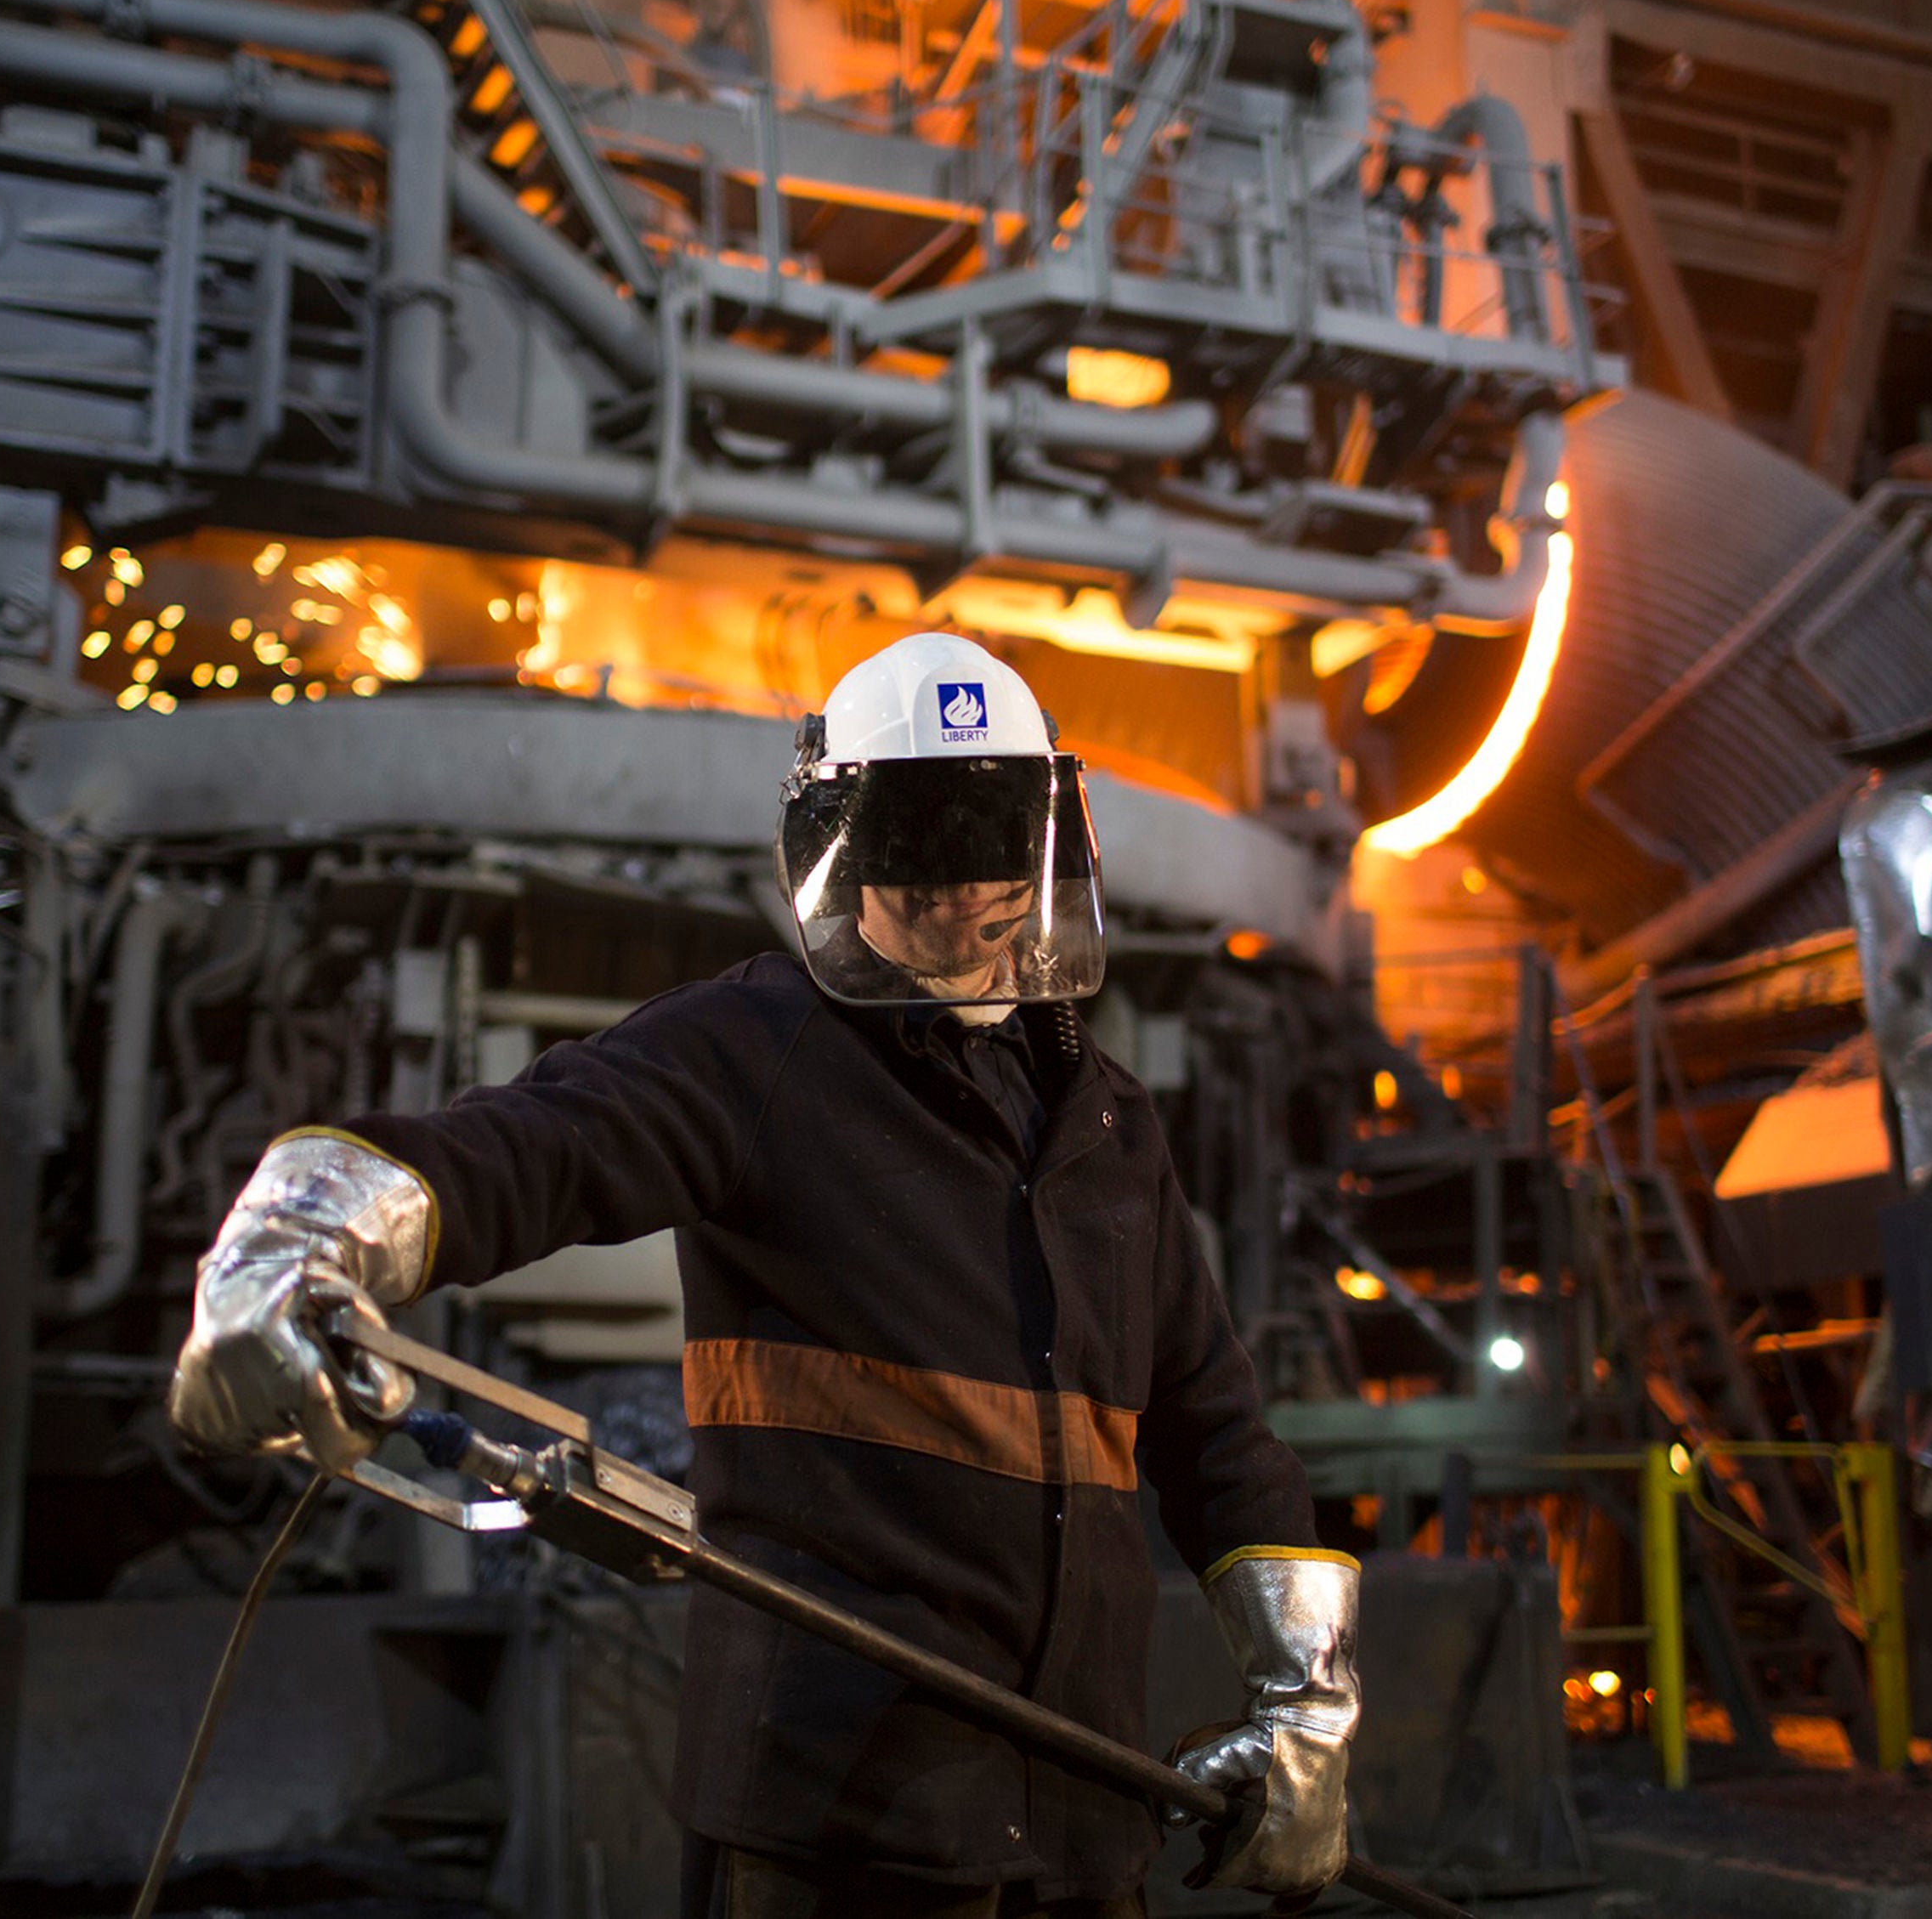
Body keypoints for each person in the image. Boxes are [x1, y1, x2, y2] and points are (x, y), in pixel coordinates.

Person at [168, 634, 1358, 1916]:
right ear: (842, 848)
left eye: (989, 834)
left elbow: (1216, 1431)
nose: (962, 887)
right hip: (840, 1831)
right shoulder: (758, 1054)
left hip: (1082, 1830)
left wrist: (1309, 1700)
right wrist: (309, 1228)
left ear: (1045, 836)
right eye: (918, 841)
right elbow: (534, 1145)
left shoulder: (1109, 1125)